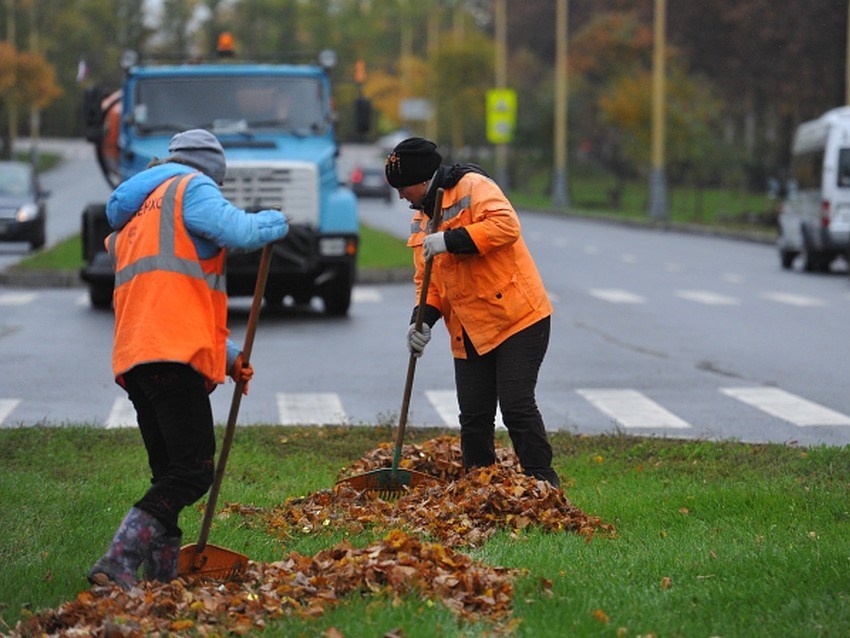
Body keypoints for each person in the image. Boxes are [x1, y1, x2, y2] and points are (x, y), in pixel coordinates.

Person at [88, 129, 289, 589]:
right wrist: (273, 223)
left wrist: (228, 356)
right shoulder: (189, 187)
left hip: (138, 356)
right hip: (171, 353)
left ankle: (162, 581)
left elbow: (173, 293)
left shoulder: (138, 212)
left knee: (168, 473)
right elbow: (237, 231)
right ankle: (118, 560)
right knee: (194, 470)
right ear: (212, 172)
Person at [384, 137, 560, 488]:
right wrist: (421, 322)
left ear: (421, 180)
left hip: (517, 317)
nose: (401, 196)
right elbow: (428, 281)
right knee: (474, 416)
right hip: (469, 326)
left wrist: (451, 239)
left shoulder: (473, 186)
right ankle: (479, 488)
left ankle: (543, 484)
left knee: (516, 406)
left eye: (403, 188)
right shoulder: (421, 219)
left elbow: (506, 226)